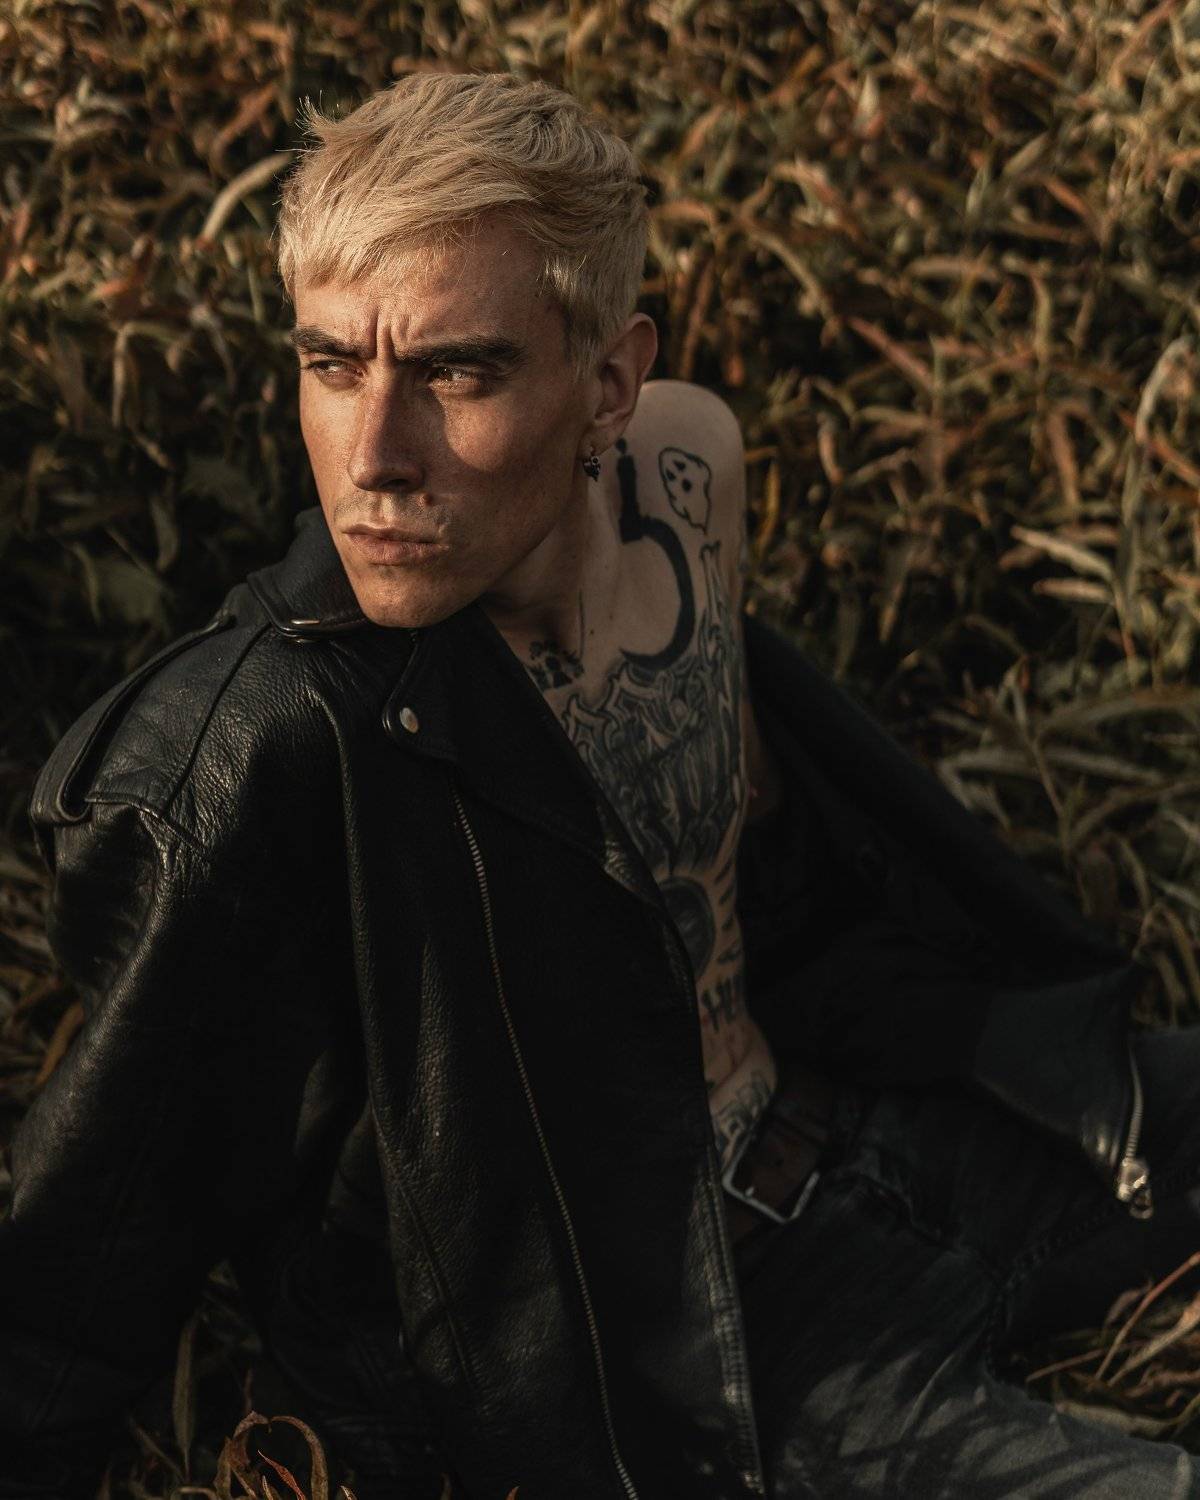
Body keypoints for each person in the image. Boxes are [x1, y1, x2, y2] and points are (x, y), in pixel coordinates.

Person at [2, 71, 1198, 1500]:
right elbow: (100, 1217)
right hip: (688, 1343)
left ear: (613, 385)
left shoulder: (689, 464)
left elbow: (777, 853)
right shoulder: (264, 739)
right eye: (330, 365)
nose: (373, 459)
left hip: (876, 1129)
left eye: (458, 373)